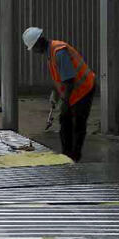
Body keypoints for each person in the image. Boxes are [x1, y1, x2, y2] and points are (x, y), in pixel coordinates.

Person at [22, 26, 96, 162]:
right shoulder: (51, 53)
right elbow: (60, 78)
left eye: (33, 48)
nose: (34, 52)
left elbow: (69, 81)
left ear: (38, 44)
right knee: (66, 121)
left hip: (84, 88)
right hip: (75, 90)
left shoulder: (59, 52)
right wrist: (55, 95)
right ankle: (67, 155)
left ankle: (74, 157)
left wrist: (65, 104)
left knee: (77, 122)